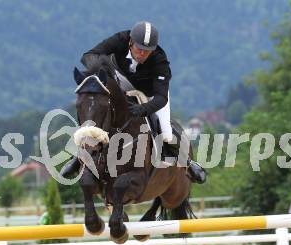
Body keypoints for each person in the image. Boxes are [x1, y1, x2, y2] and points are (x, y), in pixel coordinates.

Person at [62, 21, 206, 183]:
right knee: (96, 110)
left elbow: (161, 98)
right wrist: (99, 66)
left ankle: (188, 163)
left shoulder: (160, 60)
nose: (142, 54)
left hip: (150, 94)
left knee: (165, 132)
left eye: (147, 51)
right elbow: (88, 56)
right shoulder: (120, 39)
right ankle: (78, 157)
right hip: (121, 85)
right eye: (139, 48)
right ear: (130, 42)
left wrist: (142, 109)